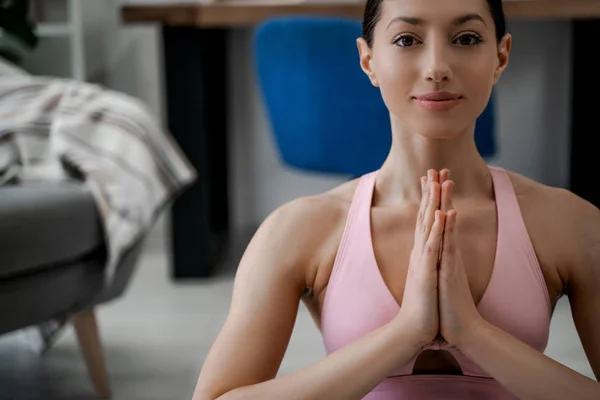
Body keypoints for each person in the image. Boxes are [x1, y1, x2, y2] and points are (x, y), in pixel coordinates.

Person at [193, 0, 600, 398]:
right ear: (368, 60)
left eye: (467, 38)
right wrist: (405, 333)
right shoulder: (298, 231)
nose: (438, 67)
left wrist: (473, 334)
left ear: (501, 56)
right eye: (407, 40)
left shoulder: (569, 224)